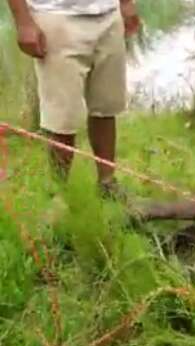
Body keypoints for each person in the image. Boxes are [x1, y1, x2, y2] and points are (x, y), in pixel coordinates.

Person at [6, 0, 140, 198]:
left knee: (106, 108)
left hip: (108, 15)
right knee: (62, 119)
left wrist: (126, 3)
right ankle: (58, 195)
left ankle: (108, 185)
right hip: (56, 17)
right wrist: (24, 22)